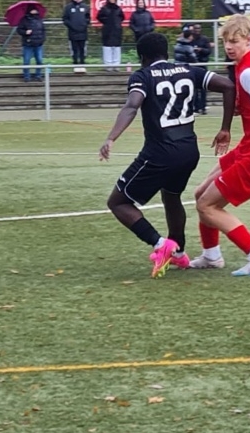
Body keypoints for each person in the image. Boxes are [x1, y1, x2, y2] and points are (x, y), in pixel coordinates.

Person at [98, 31, 237, 278]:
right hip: (189, 151)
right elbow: (228, 86)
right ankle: (179, 253)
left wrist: (111, 137)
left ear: (142, 57)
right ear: (166, 52)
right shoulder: (188, 70)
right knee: (171, 198)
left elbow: (132, 105)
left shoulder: (142, 76)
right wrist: (225, 128)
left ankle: (161, 244)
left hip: (160, 152)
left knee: (118, 202)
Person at [186, 14, 250, 277]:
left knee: (207, 205)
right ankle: (211, 256)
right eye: (226, 42)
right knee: (200, 194)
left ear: (248, 40)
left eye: (235, 41)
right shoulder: (244, 68)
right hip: (249, 147)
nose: (229, 46)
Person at [62, 0, 91, 72]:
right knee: (74, 49)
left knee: (82, 49)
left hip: (83, 32)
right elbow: (65, 19)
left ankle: (82, 64)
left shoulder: (85, 7)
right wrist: (72, 26)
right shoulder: (68, 7)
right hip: (72, 33)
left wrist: (84, 24)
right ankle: (75, 64)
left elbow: (88, 18)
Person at [15, 6, 46, 82]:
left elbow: (43, 30)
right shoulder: (24, 20)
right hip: (28, 44)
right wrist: (25, 32)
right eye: (33, 10)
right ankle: (26, 76)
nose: (34, 11)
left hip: (38, 44)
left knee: (39, 60)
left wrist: (43, 39)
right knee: (26, 61)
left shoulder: (40, 19)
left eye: (35, 10)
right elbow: (19, 30)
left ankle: (38, 75)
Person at [96, 0, 125, 72]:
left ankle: (116, 65)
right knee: (107, 48)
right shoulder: (104, 8)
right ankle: (108, 65)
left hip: (117, 31)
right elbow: (99, 17)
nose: (112, 0)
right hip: (107, 31)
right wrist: (106, 22)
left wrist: (117, 24)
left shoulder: (118, 9)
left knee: (116, 48)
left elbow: (122, 17)